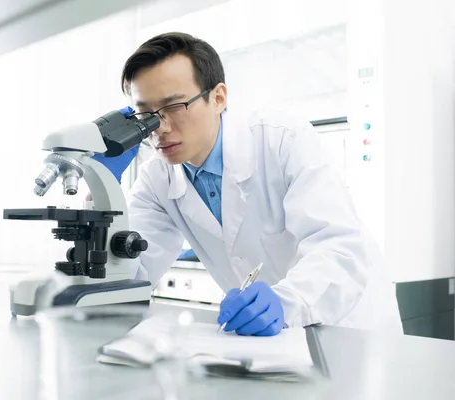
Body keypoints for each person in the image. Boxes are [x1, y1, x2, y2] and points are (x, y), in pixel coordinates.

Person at [95, 32, 403, 336]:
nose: (159, 127)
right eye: (145, 115)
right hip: (271, 343)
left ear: (218, 98)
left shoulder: (281, 139)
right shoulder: (156, 179)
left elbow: (338, 247)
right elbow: (128, 277)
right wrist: (101, 185)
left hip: (351, 326)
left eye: (174, 107)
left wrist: (286, 302)